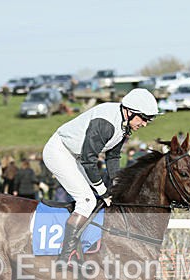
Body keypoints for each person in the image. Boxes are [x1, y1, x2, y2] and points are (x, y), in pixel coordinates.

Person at [42, 87, 158, 265]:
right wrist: (104, 192)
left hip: (76, 155)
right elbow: (89, 160)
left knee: (96, 199)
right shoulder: (105, 123)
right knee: (87, 200)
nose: (144, 124)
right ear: (130, 112)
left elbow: (113, 157)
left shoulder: (123, 124)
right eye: (143, 118)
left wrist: (117, 185)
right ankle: (66, 256)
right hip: (59, 152)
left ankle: (83, 246)